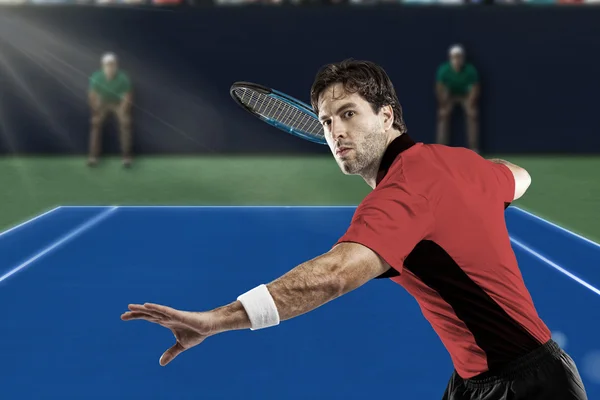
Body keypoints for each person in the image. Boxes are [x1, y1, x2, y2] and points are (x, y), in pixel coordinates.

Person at [121, 59, 588, 400]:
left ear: (386, 116)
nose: (335, 132)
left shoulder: (401, 194)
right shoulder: (457, 163)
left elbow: (333, 275)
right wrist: (479, 193)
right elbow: (516, 175)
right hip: (477, 379)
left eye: (349, 113)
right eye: (326, 121)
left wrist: (216, 320)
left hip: (528, 386)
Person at [88, 52, 133, 168]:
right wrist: (96, 111)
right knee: (95, 123)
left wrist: (123, 110)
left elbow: (127, 95)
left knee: (125, 123)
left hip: (118, 103)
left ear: (116, 65)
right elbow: (92, 95)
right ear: (103, 66)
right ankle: (93, 157)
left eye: (112, 65)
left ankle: (126, 157)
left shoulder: (123, 77)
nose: (110, 67)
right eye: (107, 65)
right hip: (102, 103)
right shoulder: (96, 76)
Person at [436, 44, 480, 153]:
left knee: (472, 114)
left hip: (465, 96)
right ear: (450, 58)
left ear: (463, 58)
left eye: (459, 57)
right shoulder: (444, 70)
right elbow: (440, 88)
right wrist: (443, 106)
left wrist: (470, 105)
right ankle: (441, 148)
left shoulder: (470, 70)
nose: (457, 60)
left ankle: (473, 147)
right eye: (454, 57)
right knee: (443, 114)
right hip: (449, 96)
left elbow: (475, 89)